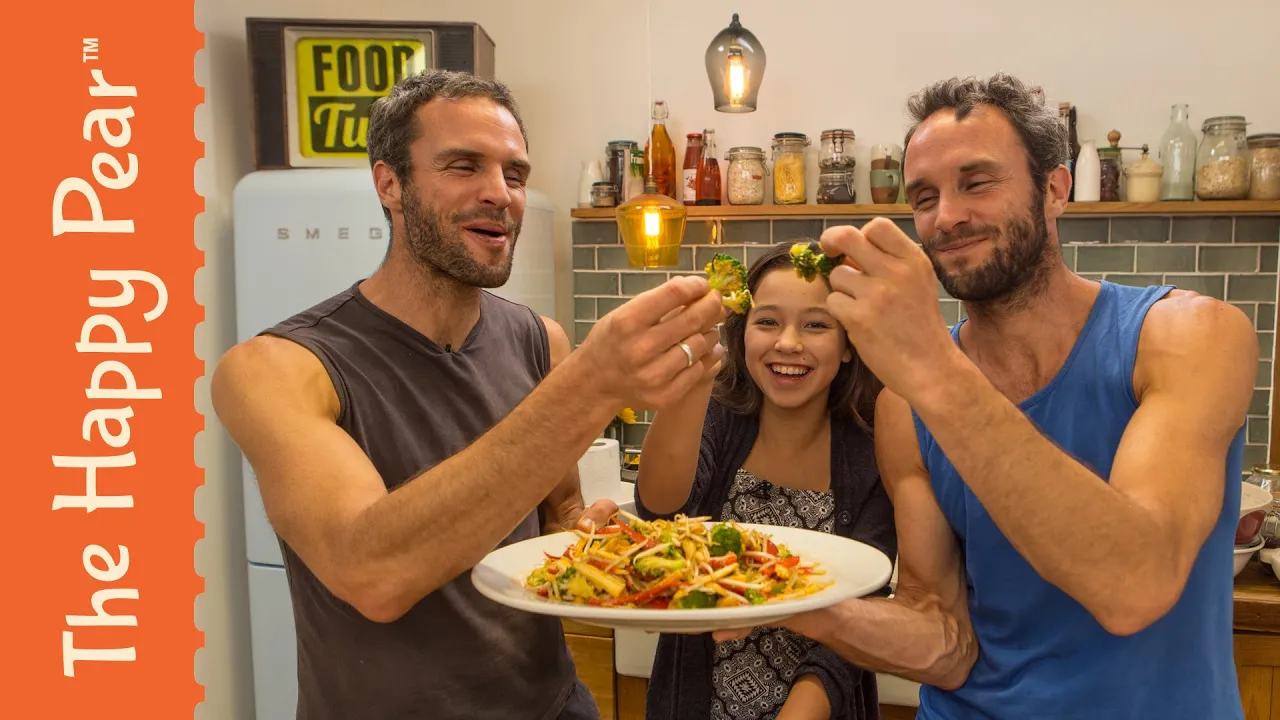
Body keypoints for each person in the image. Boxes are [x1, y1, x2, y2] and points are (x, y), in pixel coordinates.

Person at [717, 73, 1257, 719]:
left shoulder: (1188, 336)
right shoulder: (905, 404)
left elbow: (1134, 586)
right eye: (924, 197)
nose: (947, 218)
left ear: (1054, 189)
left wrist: (932, 367)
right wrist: (782, 600)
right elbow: (946, 644)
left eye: (977, 182)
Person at [210, 69, 726, 720]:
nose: (499, 194)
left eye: (514, 173)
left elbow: (559, 519)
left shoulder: (540, 342)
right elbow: (372, 572)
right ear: (389, 184)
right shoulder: (276, 368)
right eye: (463, 166)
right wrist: (593, 385)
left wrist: (640, 564)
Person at [635, 241, 896, 720]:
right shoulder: (719, 416)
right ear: (742, 334)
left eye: (816, 325)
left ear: (846, 347)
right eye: (767, 321)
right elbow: (660, 512)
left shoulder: (876, 448)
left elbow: (867, 607)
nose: (789, 343)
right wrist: (693, 378)